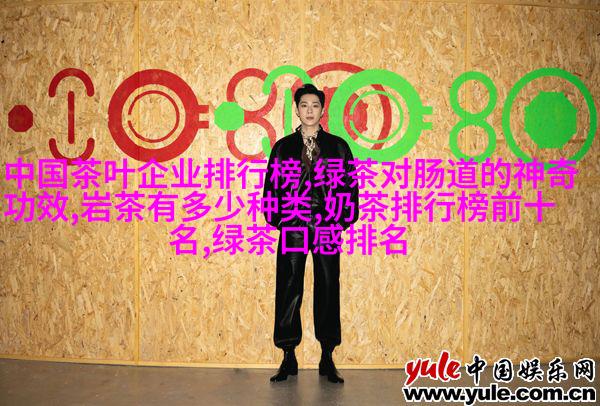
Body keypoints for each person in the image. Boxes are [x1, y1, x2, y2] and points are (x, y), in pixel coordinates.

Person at [263, 83, 359, 383]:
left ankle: (327, 356)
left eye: (315, 105)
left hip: (326, 225)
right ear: (296, 109)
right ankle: (288, 355)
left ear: (322, 110)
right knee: (289, 285)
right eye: (304, 105)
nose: (309, 110)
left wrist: (341, 220)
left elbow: (350, 187)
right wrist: (279, 219)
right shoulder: (283, 148)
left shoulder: (338, 147)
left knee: (328, 286)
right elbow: (271, 188)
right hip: (293, 223)